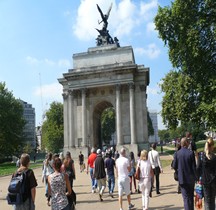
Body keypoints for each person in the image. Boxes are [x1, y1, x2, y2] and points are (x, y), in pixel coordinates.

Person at [173, 137, 197, 210]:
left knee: (185, 198)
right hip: (190, 178)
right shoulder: (190, 153)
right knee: (190, 196)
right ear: (186, 143)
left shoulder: (177, 153)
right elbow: (194, 167)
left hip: (182, 178)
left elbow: (174, 166)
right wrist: (196, 177)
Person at [197, 137, 216, 210]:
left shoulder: (201, 155)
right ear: (212, 146)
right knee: (212, 200)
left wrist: (198, 178)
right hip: (214, 180)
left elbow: (198, 167)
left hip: (205, 181)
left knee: (207, 201)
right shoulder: (214, 157)